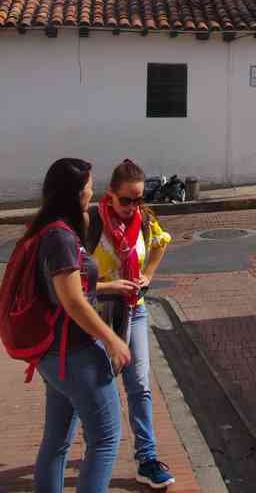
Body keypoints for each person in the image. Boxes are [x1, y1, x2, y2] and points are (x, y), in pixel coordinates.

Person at [29, 157, 131, 493]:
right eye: (88, 185)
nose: (92, 191)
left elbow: (65, 289)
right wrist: (112, 340)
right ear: (75, 192)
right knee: (105, 439)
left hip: (53, 354)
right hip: (74, 353)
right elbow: (72, 301)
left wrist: (106, 287)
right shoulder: (61, 237)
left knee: (56, 441)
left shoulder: (49, 229)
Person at [87, 159, 175, 489]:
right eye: (126, 200)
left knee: (139, 384)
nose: (132, 206)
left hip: (134, 310)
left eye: (139, 199)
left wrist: (148, 276)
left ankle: (147, 458)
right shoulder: (91, 223)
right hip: (97, 315)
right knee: (98, 385)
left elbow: (161, 243)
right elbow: (72, 282)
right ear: (110, 195)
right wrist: (109, 287)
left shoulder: (144, 219)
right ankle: (98, 446)